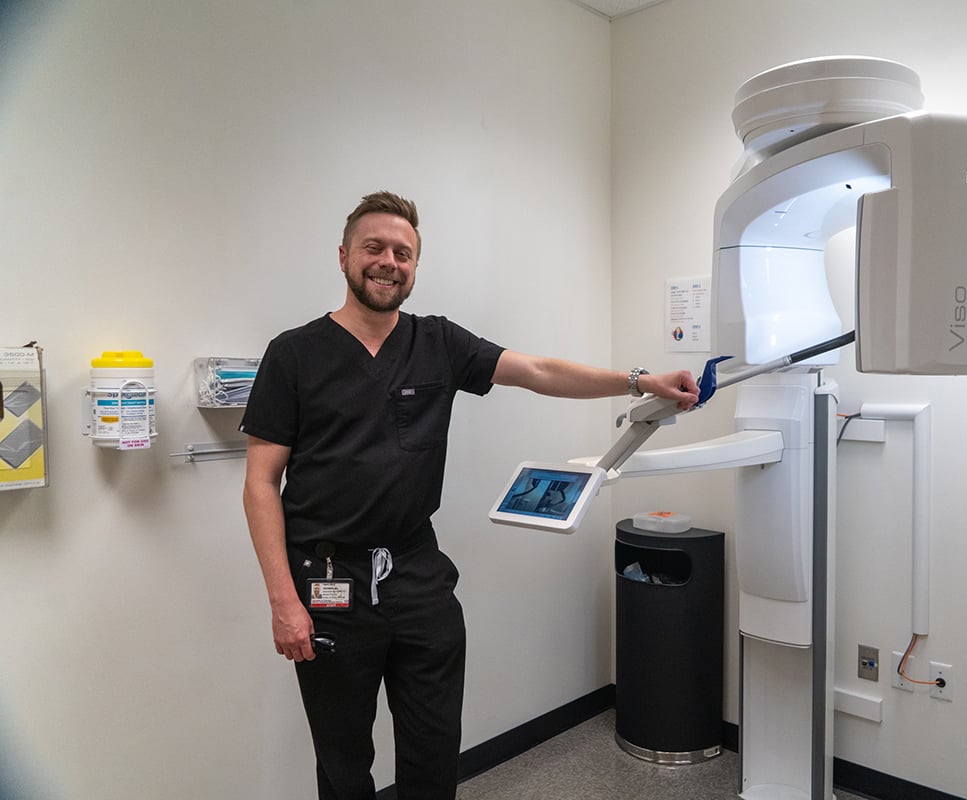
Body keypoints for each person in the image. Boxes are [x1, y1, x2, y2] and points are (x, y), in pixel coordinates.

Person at [240, 190, 699, 800]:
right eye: (374, 247)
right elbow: (259, 484)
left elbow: (537, 371)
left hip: (418, 577)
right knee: (343, 761)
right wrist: (284, 601)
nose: (388, 262)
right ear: (345, 255)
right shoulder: (293, 354)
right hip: (329, 583)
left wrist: (640, 380)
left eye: (403, 253)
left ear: (415, 267)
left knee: (432, 756)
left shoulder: (437, 342)